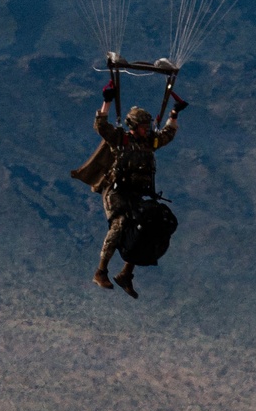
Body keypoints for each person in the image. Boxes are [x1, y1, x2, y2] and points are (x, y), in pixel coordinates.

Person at [72, 85, 186, 298]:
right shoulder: (121, 140)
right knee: (121, 223)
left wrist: (174, 114)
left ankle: (126, 273)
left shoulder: (149, 143)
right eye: (143, 126)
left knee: (146, 224)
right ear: (133, 126)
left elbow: (168, 135)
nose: (147, 129)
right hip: (115, 192)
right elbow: (101, 126)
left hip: (135, 194)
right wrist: (106, 101)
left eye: (148, 126)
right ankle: (101, 271)